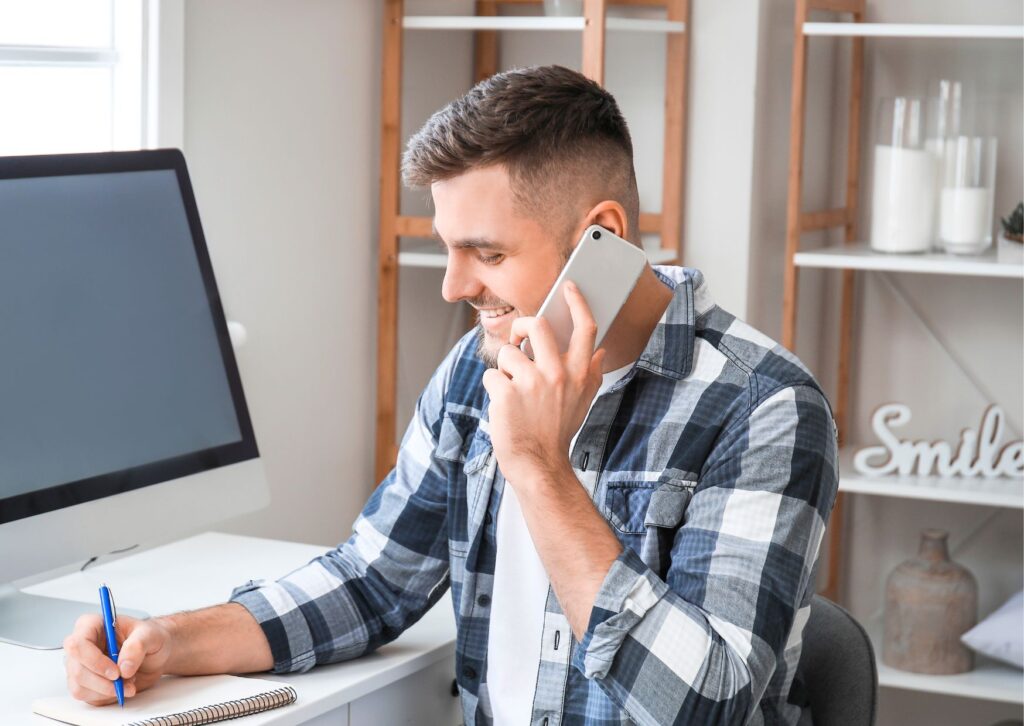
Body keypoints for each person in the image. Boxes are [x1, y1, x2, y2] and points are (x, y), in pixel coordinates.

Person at [63, 65, 838, 725]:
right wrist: (171, 640)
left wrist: (538, 468)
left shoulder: (762, 408)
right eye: (449, 248)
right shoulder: (478, 367)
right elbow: (376, 578)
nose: (455, 286)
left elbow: (709, 706)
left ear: (602, 236)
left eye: (488, 253)